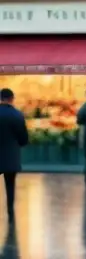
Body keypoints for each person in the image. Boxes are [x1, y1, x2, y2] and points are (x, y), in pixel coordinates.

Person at [0, 89, 27, 219]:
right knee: (10, 183)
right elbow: (23, 138)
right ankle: (10, 209)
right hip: (11, 156)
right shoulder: (17, 115)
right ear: (12, 98)